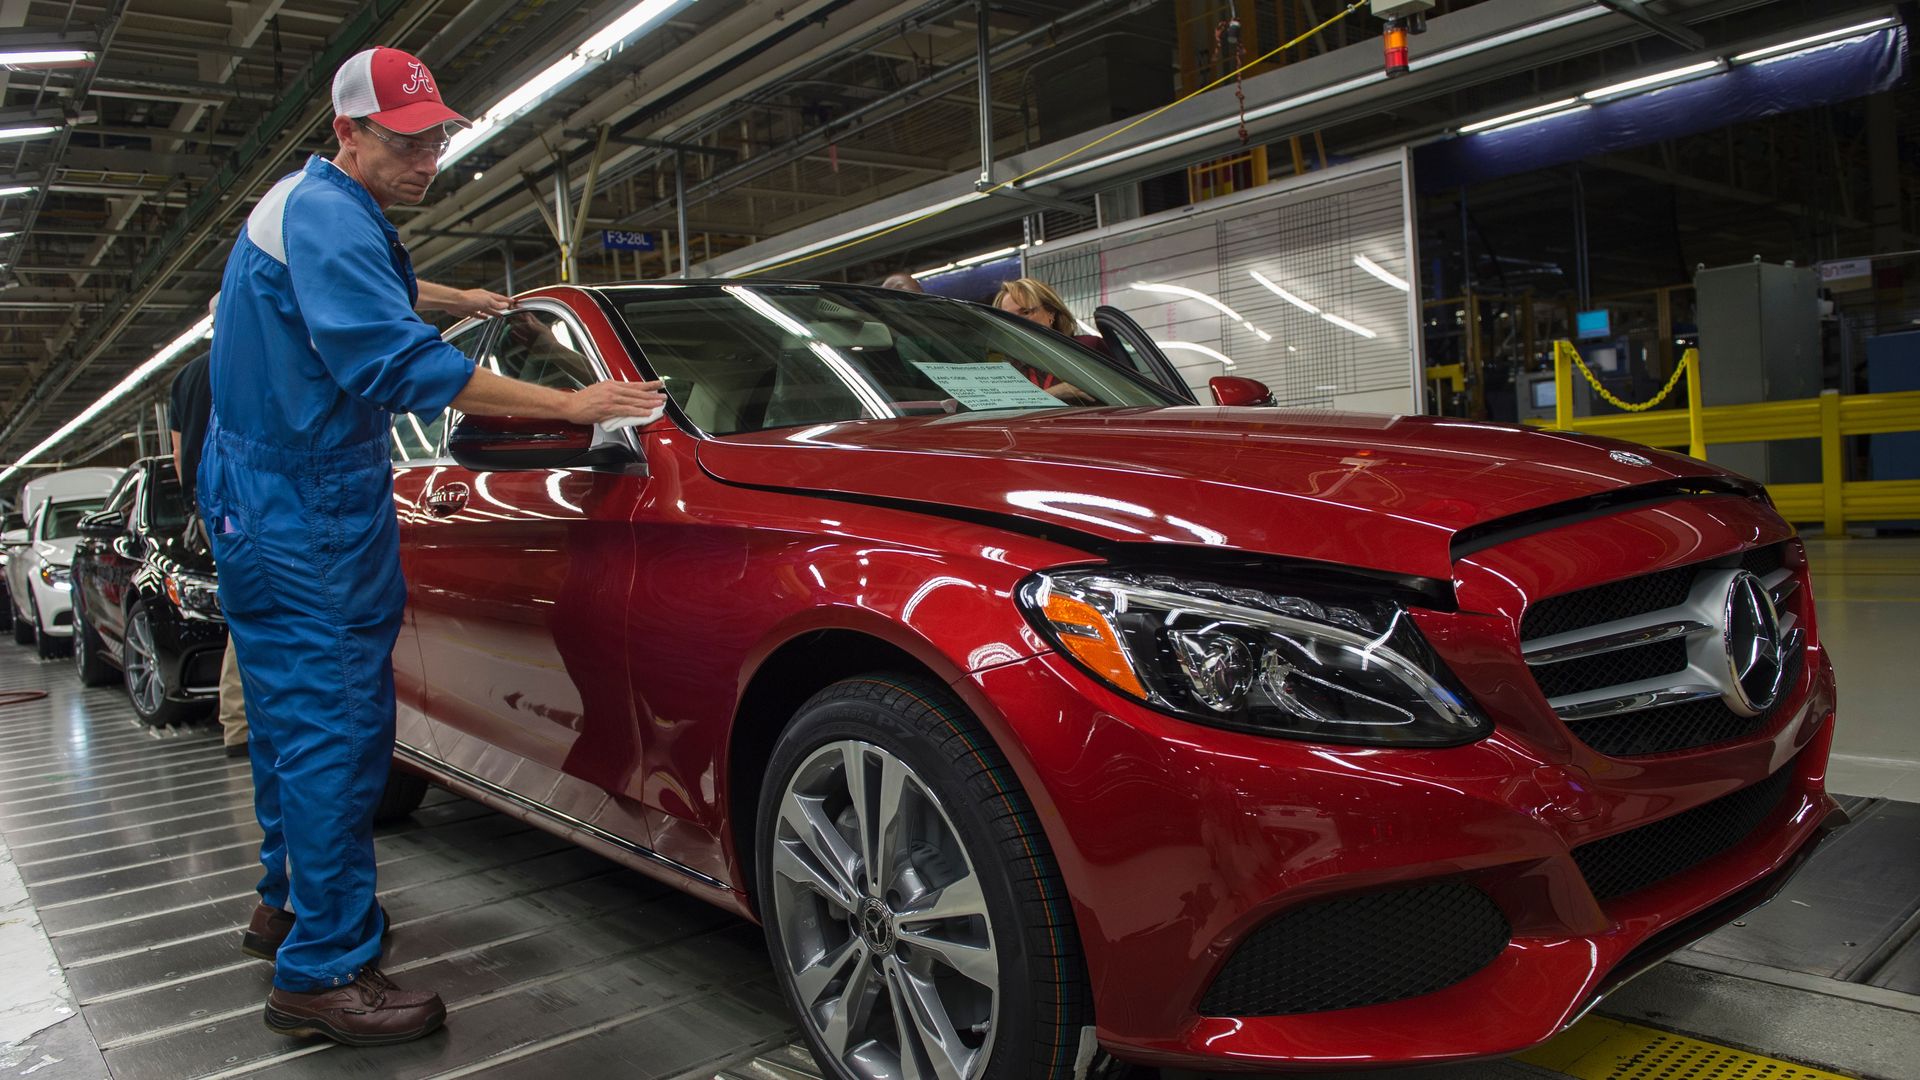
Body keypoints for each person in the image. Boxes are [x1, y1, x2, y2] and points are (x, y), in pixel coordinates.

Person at [199, 46, 664, 1048]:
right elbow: (396, 366)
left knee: (291, 722)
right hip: (306, 507)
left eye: (439, 137)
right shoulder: (330, 214)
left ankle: (283, 903)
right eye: (407, 142)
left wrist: (449, 298)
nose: (429, 159)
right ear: (348, 133)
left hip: (262, 498)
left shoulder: (306, 207)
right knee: (338, 731)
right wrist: (569, 403)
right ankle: (323, 969)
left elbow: (350, 295)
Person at [173, 285, 508, 760]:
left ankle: (250, 727)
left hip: (222, 506)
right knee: (309, 626)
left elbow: (179, 455)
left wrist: (204, 507)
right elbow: (362, 294)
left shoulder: (191, 376)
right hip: (274, 506)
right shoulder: (273, 360)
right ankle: (289, 732)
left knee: (252, 617)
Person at [992, 277, 1097, 403]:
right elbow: (1008, 410)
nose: (1016, 322)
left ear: (1051, 312)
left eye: (1026, 312)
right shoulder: (1011, 368)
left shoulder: (1086, 348)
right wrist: (1055, 393)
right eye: (1008, 317)